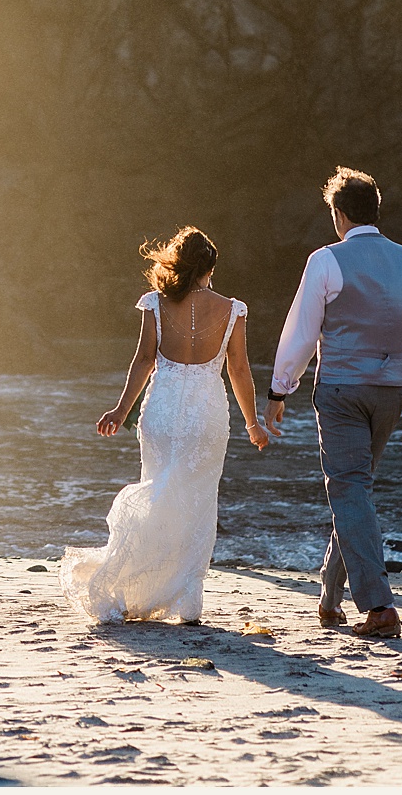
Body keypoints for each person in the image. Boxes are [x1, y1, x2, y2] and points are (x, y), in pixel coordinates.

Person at [60, 226, 272, 624]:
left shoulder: (157, 304)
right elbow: (239, 369)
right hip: (207, 416)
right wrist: (253, 423)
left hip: (160, 411)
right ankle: (185, 601)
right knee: (195, 503)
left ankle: (132, 585)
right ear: (209, 267)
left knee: (159, 491)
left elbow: (143, 360)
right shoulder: (232, 309)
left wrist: (120, 411)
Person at [266, 166, 402, 639]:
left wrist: (280, 389)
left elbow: (301, 331)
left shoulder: (325, 259)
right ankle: (329, 596)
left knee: (349, 491)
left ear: (339, 214)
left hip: (342, 389)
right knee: (356, 491)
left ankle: (380, 608)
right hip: (393, 390)